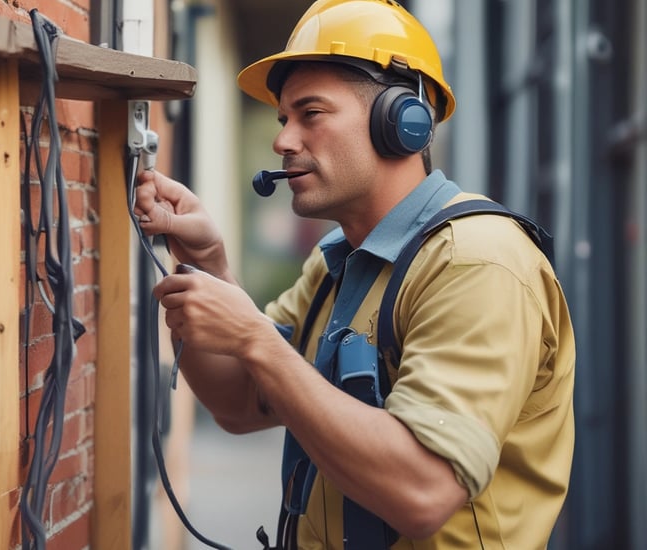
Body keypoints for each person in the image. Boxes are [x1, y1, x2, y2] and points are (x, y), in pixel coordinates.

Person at [134, 0, 575, 548]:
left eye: (310, 113)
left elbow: (423, 491)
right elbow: (241, 402)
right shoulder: (337, 262)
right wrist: (207, 263)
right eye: (282, 118)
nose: (283, 141)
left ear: (401, 121)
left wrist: (255, 339)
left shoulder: (477, 261)